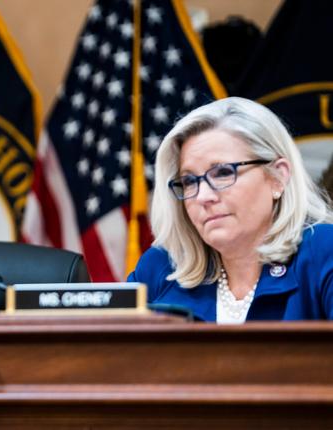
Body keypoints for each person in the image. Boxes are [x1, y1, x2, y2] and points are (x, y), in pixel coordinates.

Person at [128, 97, 333, 323]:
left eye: (223, 172)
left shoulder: (324, 251)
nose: (203, 196)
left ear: (278, 177)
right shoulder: (161, 267)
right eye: (189, 181)